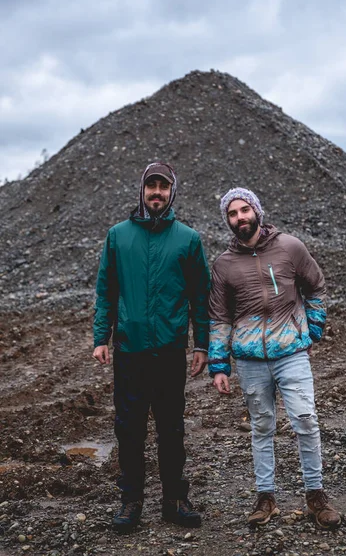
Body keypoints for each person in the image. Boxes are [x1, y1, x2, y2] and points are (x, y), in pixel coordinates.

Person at [208, 187, 341, 530]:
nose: (239, 218)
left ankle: (316, 495)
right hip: (250, 360)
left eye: (243, 210)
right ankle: (265, 497)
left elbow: (315, 287)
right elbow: (219, 318)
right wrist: (219, 365)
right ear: (228, 220)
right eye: (232, 214)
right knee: (262, 427)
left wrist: (312, 331)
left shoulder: (290, 247)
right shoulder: (223, 265)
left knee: (306, 419)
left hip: (291, 353)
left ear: (256, 211)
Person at [93, 162, 210, 532]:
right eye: (151, 186)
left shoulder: (188, 239)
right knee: (128, 429)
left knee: (171, 428)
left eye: (163, 187)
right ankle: (131, 502)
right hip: (130, 351)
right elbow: (105, 292)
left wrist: (201, 345)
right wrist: (101, 338)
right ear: (141, 191)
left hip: (170, 350)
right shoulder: (118, 236)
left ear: (172, 192)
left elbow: (200, 298)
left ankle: (175, 499)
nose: (156, 192)